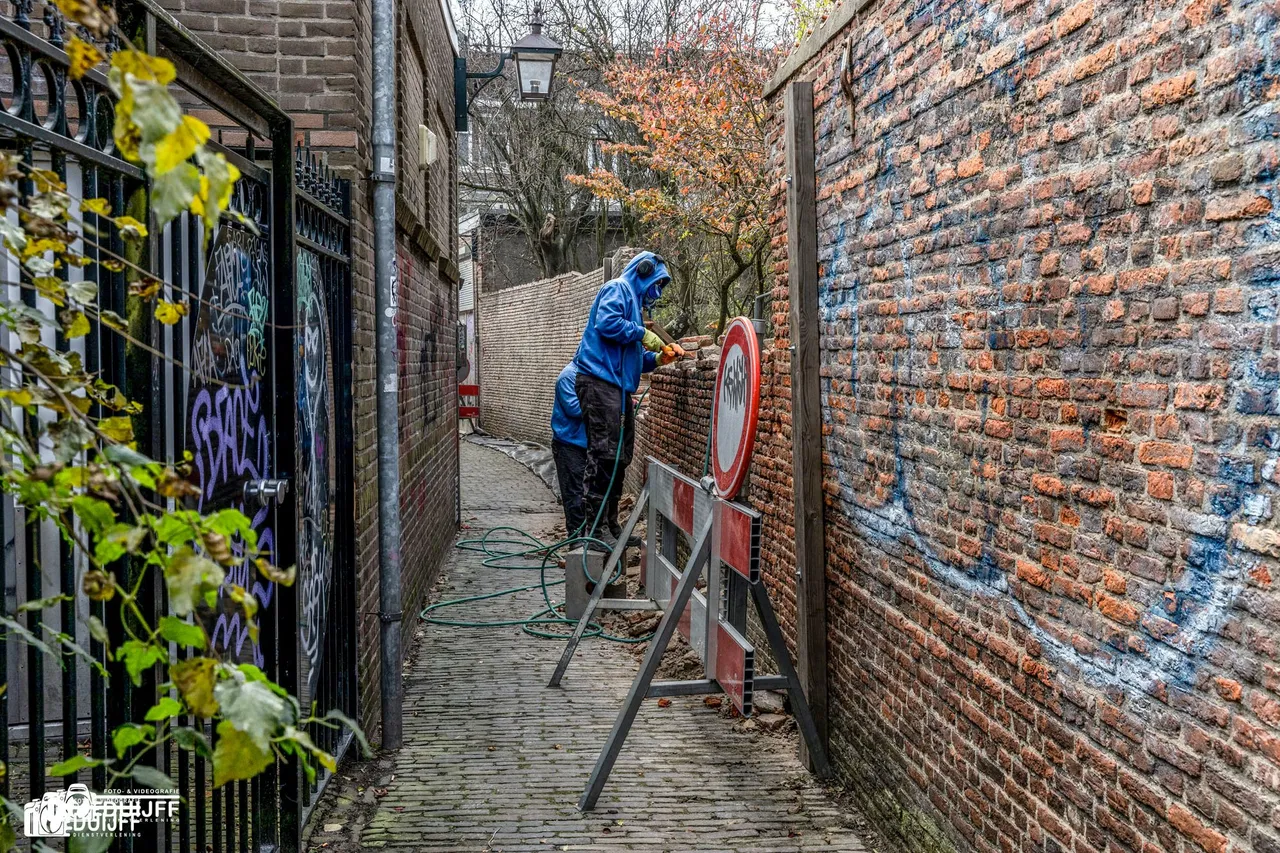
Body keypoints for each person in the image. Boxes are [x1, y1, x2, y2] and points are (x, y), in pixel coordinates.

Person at [573, 251, 685, 549]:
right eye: (657, 284)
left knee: (620, 456)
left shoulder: (635, 307)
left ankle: (610, 524)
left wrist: (658, 358)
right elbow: (606, 323)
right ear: (643, 271)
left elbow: (634, 358)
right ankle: (594, 529)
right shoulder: (618, 289)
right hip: (598, 383)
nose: (658, 292)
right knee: (604, 453)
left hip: (617, 388)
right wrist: (643, 334)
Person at [550, 361, 588, 537]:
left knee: (588, 494)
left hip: (586, 444)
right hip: (569, 445)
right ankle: (575, 538)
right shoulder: (568, 377)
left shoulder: (589, 376)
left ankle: (588, 535)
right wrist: (607, 405)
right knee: (574, 493)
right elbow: (574, 408)